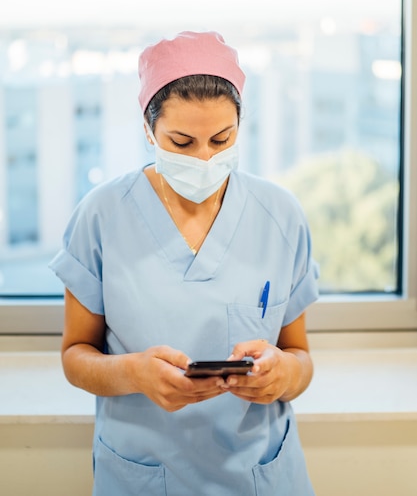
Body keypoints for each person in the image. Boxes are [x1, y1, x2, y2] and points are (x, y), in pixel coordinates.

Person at [49, 30, 319, 496]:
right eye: (181, 141)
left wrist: (284, 374)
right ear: (148, 131)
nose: (205, 158)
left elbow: (300, 357)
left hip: (258, 474)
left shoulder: (281, 216)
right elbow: (76, 358)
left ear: (240, 124)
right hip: (144, 474)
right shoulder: (102, 215)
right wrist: (132, 372)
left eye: (221, 138)